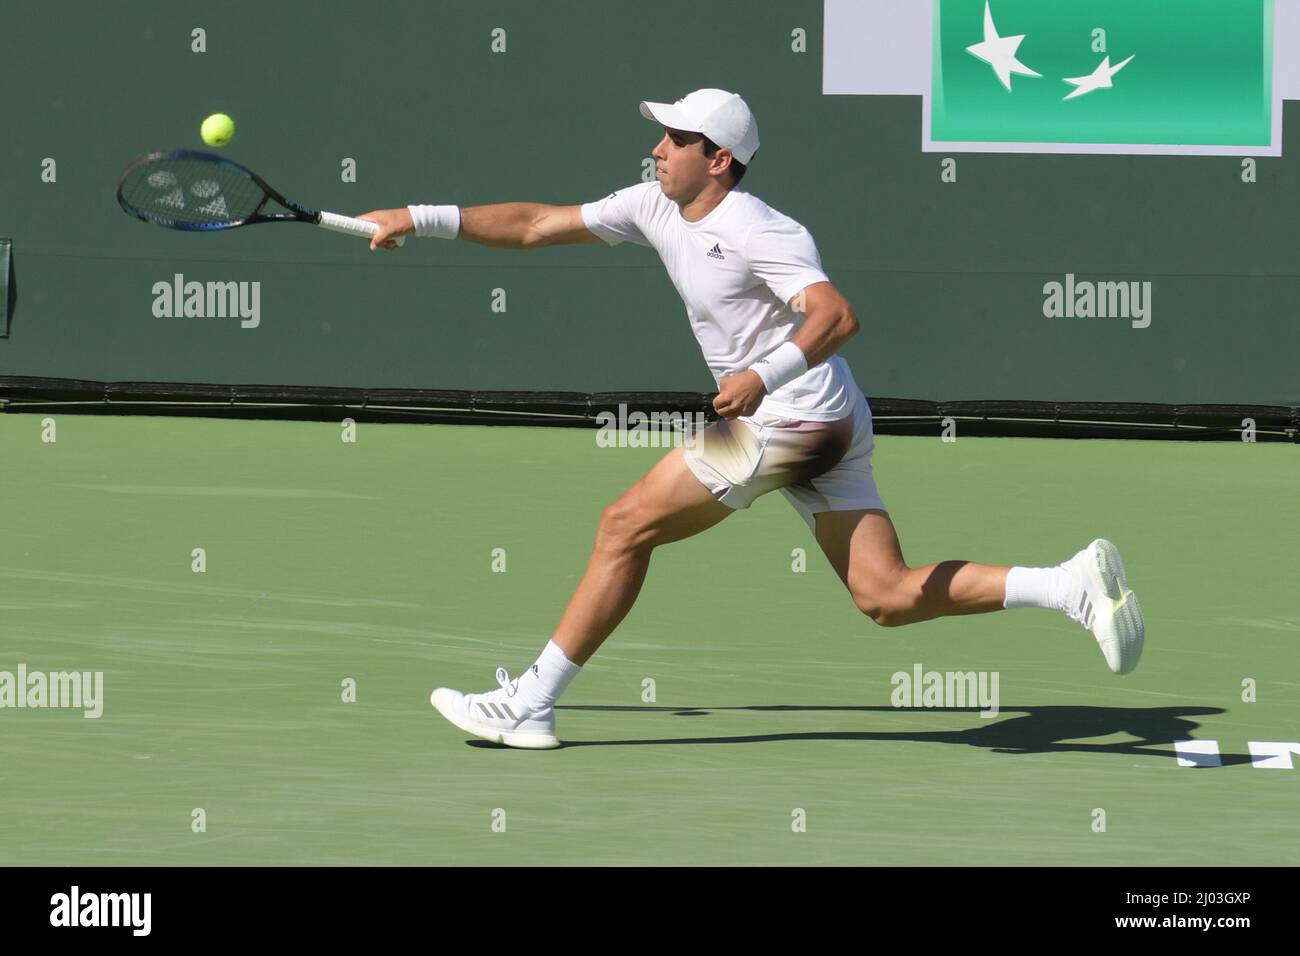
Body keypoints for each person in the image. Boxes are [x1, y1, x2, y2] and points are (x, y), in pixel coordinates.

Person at [358, 88, 1145, 750]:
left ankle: (531, 703)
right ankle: (1069, 586)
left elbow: (836, 316)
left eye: (678, 138)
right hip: (830, 416)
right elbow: (536, 224)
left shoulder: (760, 229)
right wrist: (417, 215)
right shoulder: (651, 205)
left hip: (792, 418)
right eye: (661, 135)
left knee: (625, 524)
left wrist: (762, 376)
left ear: (720, 159)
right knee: (886, 596)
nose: (659, 148)